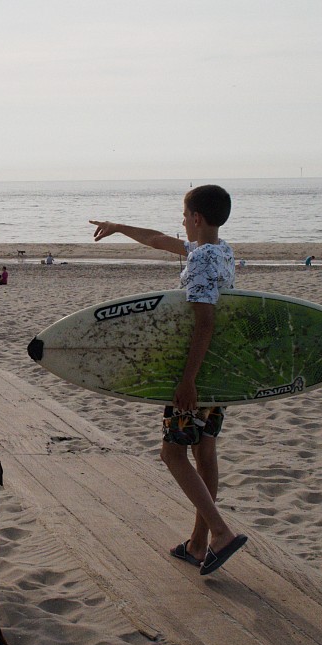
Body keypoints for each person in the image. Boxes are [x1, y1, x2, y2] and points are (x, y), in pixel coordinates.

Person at [90, 185, 248, 577]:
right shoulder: (220, 251)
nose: (180, 221)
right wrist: (117, 226)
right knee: (204, 452)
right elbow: (158, 240)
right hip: (218, 372)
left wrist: (187, 381)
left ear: (196, 218)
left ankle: (220, 533)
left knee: (172, 454)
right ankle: (197, 545)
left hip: (195, 372)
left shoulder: (200, 262)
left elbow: (204, 321)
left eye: (183, 214)